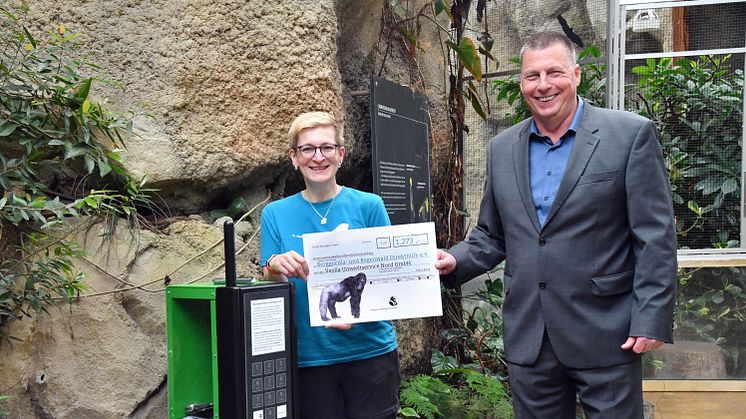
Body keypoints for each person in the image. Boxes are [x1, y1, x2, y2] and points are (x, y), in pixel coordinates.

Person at [435, 31, 677, 418]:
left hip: (607, 332)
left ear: (577, 74)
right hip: (530, 338)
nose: (543, 85)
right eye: (532, 76)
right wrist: (455, 260)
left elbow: (655, 237)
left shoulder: (629, 135)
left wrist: (650, 318)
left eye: (554, 72)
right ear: (521, 84)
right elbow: (492, 235)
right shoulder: (502, 149)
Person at [260, 111, 399, 419]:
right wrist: (275, 267)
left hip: (370, 351)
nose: (318, 157)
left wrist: (358, 314)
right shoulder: (275, 214)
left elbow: (389, 277)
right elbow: (270, 284)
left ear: (340, 154)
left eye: (326, 147)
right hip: (309, 358)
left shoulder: (369, 206)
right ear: (294, 157)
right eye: (308, 148)